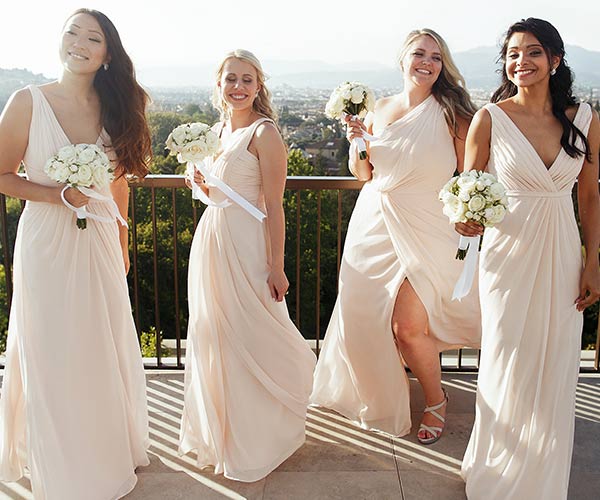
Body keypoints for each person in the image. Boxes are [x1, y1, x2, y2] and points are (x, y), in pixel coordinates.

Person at [0, 8, 151, 499]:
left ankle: (105, 450)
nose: (79, 43)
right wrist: (56, 195)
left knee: (99, 345)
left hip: (100, 240)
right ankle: (60, 464)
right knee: (52, 348)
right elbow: (2, 175)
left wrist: (122, 247)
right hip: (46, 242)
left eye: (93, 38)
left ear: (108, 54)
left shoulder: (117, 107)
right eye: (72, 33)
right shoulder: (28, 101)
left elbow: (119, 184)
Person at [310, 29, 481, 444]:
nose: (427, 62)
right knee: (364, 319)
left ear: (443, 66)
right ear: (403, 59)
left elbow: (471, 175)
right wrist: (356, 142)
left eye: (436, 57)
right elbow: (364, 173)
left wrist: (470, 216)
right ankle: (381, 394)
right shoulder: (379, 109)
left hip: (428, 228)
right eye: (419, 53)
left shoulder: (454, 114)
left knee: (407, 326)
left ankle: (436, 400)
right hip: (373, 224)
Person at [459, 18, 600, 499]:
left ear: (555, 60)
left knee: (557, 361)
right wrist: (465, 221)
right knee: (506, 358)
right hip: (508, 254)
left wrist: (593, 261)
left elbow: (590, 198)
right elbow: (467, 189)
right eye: (513, 53)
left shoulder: (585, 119)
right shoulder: (489, 118)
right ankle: (495, 469)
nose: (522, 61)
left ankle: (540, 477)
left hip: (562, 252)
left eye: (534, 52)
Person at [179, 49, 316, 482]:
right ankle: (227, 435)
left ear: (258, 87)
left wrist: (277, 266)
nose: (238, 87)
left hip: (249, 245)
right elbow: (221, 195)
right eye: (230, 79)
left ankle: (264, 435)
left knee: (257, 332)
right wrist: (201, 184)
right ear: (218, 84)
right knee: (217, 335)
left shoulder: (264, 133)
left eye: (247, 80)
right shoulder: (216, 131)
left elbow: (273, 206)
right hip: (213, 240)